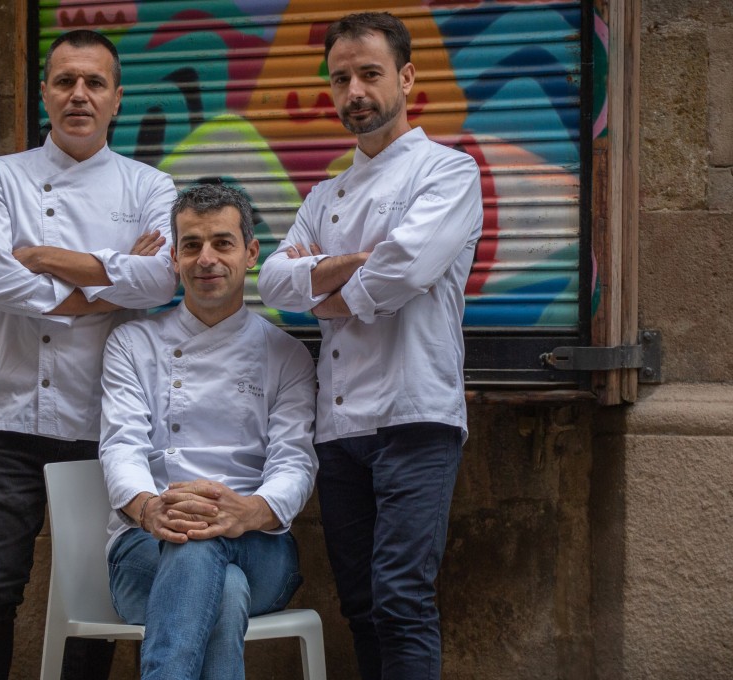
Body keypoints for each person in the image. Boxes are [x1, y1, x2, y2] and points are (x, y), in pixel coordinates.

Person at [257, 12, 483, 680]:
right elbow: (273, 280)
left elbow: (406, 267)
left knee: (402, 600)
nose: (354, 91)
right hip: (338, 430)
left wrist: (324, 288)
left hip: (416, 416)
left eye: (369, 74)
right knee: (359, 604)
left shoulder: (449, 173)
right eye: (340, 78)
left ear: (406, 78)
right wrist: (356, 263)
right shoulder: (324, 194)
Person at [0, 29, 178, 680]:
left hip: (105, 422)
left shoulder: (149, 186)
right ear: (45, 94)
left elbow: (160, 281)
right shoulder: (1, 177)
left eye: (94, 83)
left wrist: (41, 256)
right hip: (9, 417)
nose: (79, 94)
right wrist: (104, 286)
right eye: (65, 81)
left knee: (96, 593)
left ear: (117, 99)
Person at [99, 184, 318, 680]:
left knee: (199, 546)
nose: (206, 259)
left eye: (222, 243)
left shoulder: (286, 354)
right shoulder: (132, 344)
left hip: (260, 545)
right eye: (192, 245)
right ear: (175, 258)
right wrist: (149, 508)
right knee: (219, 578)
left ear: (251, 253)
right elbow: (121, 446)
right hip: (145, 545)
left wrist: (249, 511)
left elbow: (295, 461)